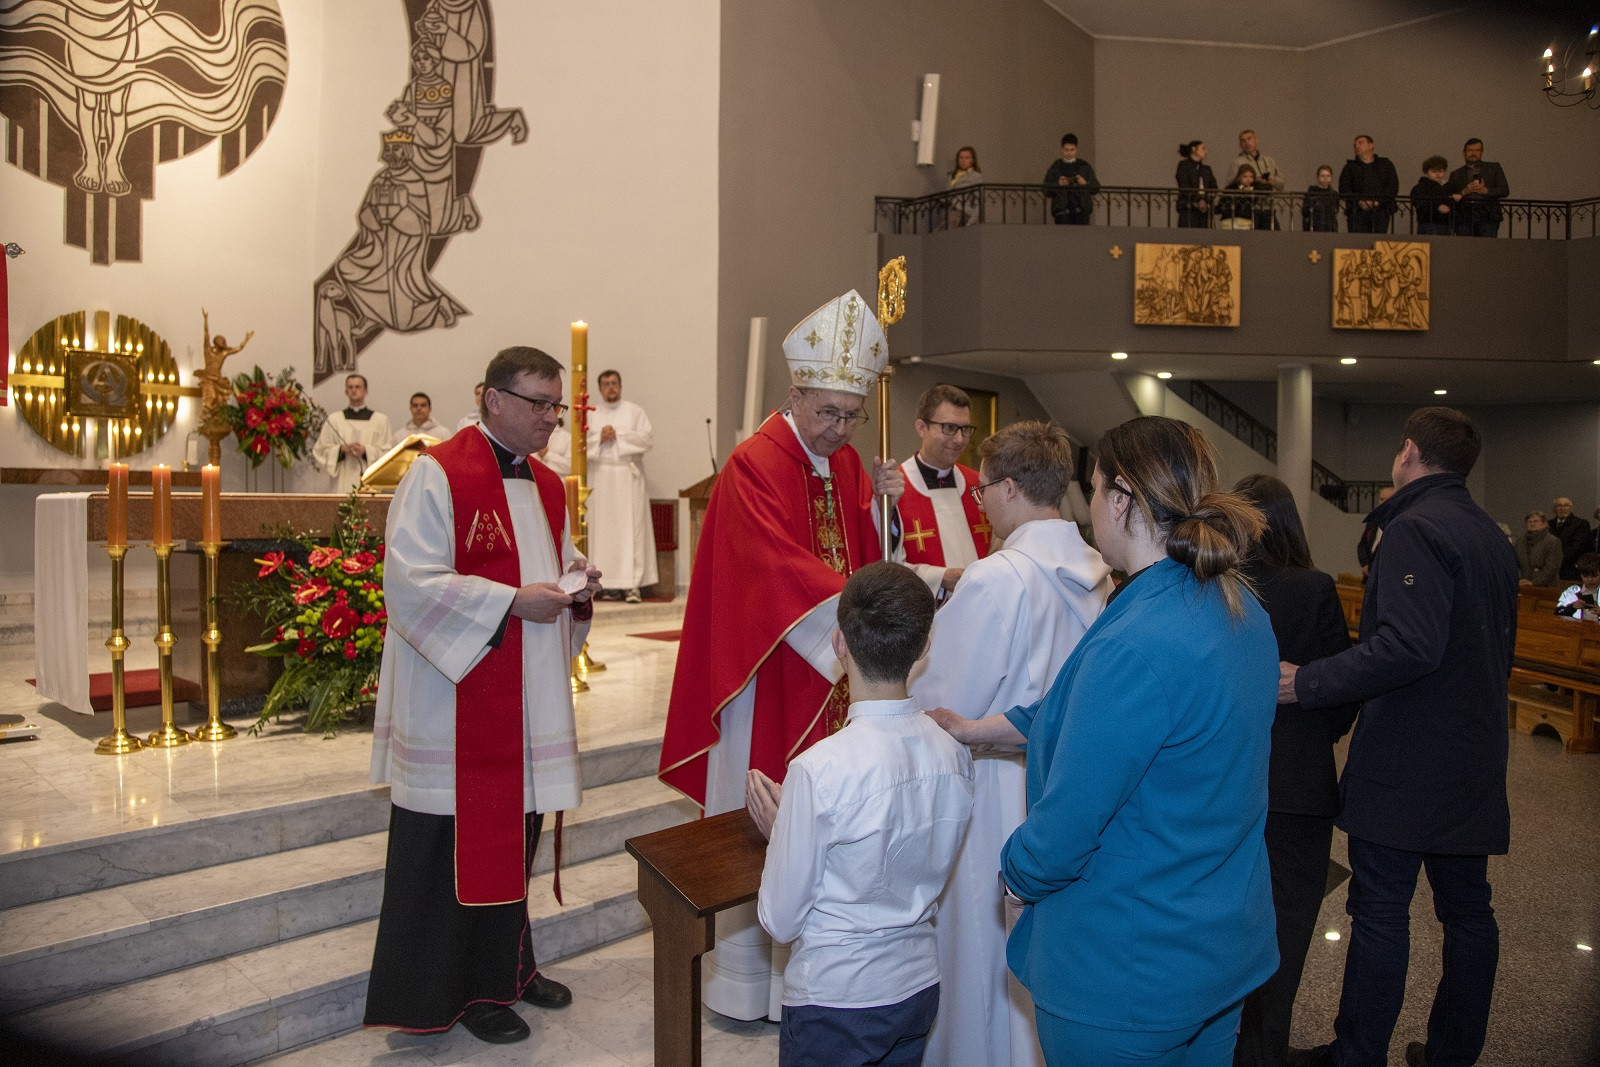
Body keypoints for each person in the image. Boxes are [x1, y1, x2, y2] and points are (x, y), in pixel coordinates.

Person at [930, 415, 1279, 1065]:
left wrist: (1016, 874)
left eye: (1092, 490)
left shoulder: (1141, 636)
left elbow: (1070, 820)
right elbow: (1111, 712)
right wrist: (981, 728)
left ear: (1121, 499)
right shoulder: (1238, 607)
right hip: (1220, 939)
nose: (1088, 508)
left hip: (1129, 963)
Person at [659, 288, 903, 1022]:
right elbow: (770, 567)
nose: (839, 429)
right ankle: (745, 984)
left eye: (851, 415)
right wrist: (859, 612)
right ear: (794, 395)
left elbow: (866, 556)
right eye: (827, 412)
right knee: (766, 810)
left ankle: (818, 974)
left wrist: (885, 509)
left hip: (833, 671)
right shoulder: (753, 464)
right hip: (769, 674)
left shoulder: (850, 463)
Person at [365, 345, 602, 1045]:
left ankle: (509, 969)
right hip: (453, 700)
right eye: (538, 404)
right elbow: (409, 582)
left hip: (527, 695)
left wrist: (577, 582)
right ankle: (460, 989)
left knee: (516, 833)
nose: (551, 419)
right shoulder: (438, 473)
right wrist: (510, 602)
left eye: (556, 406)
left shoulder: (549, 485)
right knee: (451, 850)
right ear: (492, 399)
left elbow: (548, 564)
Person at [1283, 407, 1517, 1067]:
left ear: (1408, 451)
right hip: (1474, 753)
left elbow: (1407, 647)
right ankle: (1452, 1052)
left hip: (1410, 758)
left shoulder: (1414, 528)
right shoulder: (1490, 534)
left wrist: (1309, 681)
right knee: (1468, 912)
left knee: (1381, 909)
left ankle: (1358, 1053)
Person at [909, 420, 1111, 1067]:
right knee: (1042, 944)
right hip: (1063, 782)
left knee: (980, 942)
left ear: (1012, 487)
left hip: (994, 781)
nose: (981, 503)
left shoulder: (997, 578)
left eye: (984, 489)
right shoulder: (1096, 571)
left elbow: (944, 700)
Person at [747, 562, 975, 1067]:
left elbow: (780, 920)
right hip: (917, 983)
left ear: (839, 644)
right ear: (924, 647)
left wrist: (784, 832)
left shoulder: (818, 770)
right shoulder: (953, 754)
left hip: (837, 997)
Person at [1231, 475, 1360, 1067]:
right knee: (1287, 929)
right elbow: (1342, 693)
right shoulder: (1314, 588)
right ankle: (1265, 1049)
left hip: (1228, 783)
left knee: (1225, 926)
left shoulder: (1219, 587)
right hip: (1298, 788)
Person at [896, 384, 993, 599]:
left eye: (965, 429)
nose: (959, 439)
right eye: (949, 428)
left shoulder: (978, 484)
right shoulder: (895, 489)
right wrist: (940, 577)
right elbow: (886, 564)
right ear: (922, 428)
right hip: (925, 611)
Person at [586, 370, 657, 603]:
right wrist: (599, 438)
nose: (611, 387)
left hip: (628, 476)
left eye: (614, 383)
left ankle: (632, 585)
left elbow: (647, 439)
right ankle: (607, 584)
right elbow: (579, 444)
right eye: (606, 384)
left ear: (621, 386)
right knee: (603, 531)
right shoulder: (591, 413)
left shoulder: (635, 411)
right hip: (600, 477)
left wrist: (618, 435)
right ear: (600, 388)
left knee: (631, 530)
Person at [311, 373, 392, 489]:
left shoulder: (380, 420)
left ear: (366, 391)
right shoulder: (334, 420)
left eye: (357, 387)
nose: (354, 390)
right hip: (341, 483)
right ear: (346, 392)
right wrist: (341, 449)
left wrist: (365, 451)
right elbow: (320, 451)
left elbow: (388, 454)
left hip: (369, 485)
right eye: (350, 387)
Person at [1445, 139, 1509, 238]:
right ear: (1464, 153)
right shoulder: (1456, 174)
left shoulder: (1493, 168)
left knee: (1486, 246)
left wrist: (1485, 190)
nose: (1473, 153)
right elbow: (1449, 196)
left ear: (1481, 152)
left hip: (1488, 217)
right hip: (1464, 218)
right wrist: (1464, 192)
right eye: (1470, 150)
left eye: (1477, 150)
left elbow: (1504, 190)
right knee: (1465, 246)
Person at [1339, 136, 1398, 234]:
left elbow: (1393, 186)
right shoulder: (1350, 167)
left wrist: (1378, 201)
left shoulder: (1385, 165)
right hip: (1357, 213)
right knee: (1358, 241)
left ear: (1371, 145)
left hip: (1381, 212)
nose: (1357, 146)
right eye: (1355, 145)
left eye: (1360, 143)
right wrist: (1359, 202)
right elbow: (1344, 189)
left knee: (1378, 240)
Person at [1042, 133, 1099, 225]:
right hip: (1062, 212)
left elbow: (1096, 187)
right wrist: (1058, 184)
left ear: (1077, 149)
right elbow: (1045, 189)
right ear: (1062, 149)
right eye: (1066, 150)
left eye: (1072, 150)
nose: (1069, 153)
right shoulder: (1056, 167)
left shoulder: (1084, 166)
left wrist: (1085, 183)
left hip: (1081, 211)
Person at [1356, 485, 1396, 578]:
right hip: (1369, 574)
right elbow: (1363, 545)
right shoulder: (1373, 521)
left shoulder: (1398, 522)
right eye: (1381, 499)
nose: (1383, 502)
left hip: (1387, 573)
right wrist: (1365, 564)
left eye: (1387, 499)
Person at [1547, 496, 1591, 581]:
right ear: (1554, 509)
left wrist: (1555, 562)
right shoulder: (1548, 524)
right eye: (1559, 506)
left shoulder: (1581, 524)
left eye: (1566, 505)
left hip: (1570, 571)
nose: (1562, 508)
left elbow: (1575, 548)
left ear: (1571, 508)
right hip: (1550, 571)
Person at [1409, 156, 1455, 236]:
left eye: (1441, 171)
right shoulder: (1420, 187)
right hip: (1428, 223)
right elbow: (1419, 203)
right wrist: (1437, 207)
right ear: (1427, 172)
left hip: (1445, 223)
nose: (1438, 174)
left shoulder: (1448, 186)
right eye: (1434, 171)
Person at [1516, 510, 1563, 587]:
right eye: (1529, 521)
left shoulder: (1553, 541)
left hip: (1546, 587)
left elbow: (1552, 567)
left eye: (1536, 521)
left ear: (1545, 524)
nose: (1532, 524)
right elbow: (1515, 562)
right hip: (1522, 584)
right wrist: (1519, 579)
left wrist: (1534, 582)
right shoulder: (1520, 541)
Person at [1176, 140, 1217, 228]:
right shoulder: (1184, 165)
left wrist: (1206, 201)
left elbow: (1213, 187)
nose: (1205, 151)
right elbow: (1184, 185)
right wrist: (1198, 200)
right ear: (1194, 149)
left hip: (1204, 210)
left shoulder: (1206, 169)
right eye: (1203, 148)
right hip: (1188, 207)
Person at [1217, 164, 1271, 230]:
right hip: (1230, 220)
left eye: (1251, 177)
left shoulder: (1254, 186)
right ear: (1239, 177)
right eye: (1245, 177)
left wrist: (1254, 186)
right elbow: (1222, 205)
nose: (1248, 179)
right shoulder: (1232, 187)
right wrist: (1242, 190)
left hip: (1246, 220)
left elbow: (1268, 189)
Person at [1555, 552, 1600, 621]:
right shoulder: (1572, 591)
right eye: (1585, 576)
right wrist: (1572, 607)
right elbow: (1558, 613)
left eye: (1594, 576)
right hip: (1577, 626)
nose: (1590, 579)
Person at [948, 146, 983, 227]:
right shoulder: (952, 175)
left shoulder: (975, 176)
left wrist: (971, 221)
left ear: (972, 160)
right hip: (951, 211)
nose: (963, 160)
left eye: (967, 158)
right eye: (961, 157)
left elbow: (979, 201)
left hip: (965, 212)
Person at [1302, 165, 1340, 233]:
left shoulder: (1334, 194)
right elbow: (1305, 212)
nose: (1325, 179)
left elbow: (1335, 211)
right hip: (1315, 229)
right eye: (1322, 176)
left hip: (1331, 229)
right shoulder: (1311, 193)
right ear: (1317, 177)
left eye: (1328, 176)